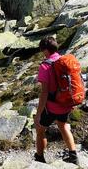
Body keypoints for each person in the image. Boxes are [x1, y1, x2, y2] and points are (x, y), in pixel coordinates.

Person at [34, 36, 79, 165]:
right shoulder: (64, 61)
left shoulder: (45, 66)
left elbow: (44, 93)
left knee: (40, 130)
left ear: (45, 50)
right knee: (63, 126)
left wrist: (38, 114)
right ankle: (73, 156)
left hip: (51, 107)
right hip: (65, 104)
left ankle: (39, 158)